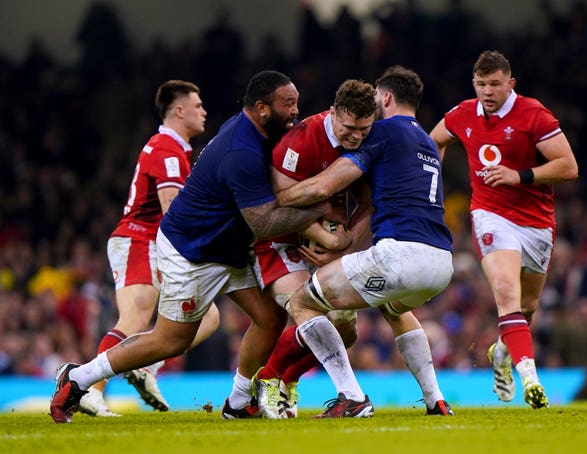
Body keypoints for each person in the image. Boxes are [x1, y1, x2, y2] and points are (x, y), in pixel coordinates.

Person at [50, 70, 332, 423]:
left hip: (226, 246)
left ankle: (238, 402)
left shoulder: (257, 133)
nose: (296, 111)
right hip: (194, 252)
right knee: (170, 341)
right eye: (288, 103)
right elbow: (262, 222)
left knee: (269, 316)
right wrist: (319, 210)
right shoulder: (240, 152)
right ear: (262, 108)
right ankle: (79, 378)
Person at [253, 77, 453, 418]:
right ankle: (436, 400)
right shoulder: (426, 141)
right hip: (440, 262)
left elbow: (323, 187)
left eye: (366, 123)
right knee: (391, 311)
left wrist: (273, 202)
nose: (359, 134)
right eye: (351, 126)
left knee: (303, 301)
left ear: (385, 98)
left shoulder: (384, 133)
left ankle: (324, 390)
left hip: (399, 253)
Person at [429, 50, 579, 409]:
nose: (487, 91)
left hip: (537, 222)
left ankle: (501, 353)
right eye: (481, 84)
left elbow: (568, 166)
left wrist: (520, 176)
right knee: (506, 292)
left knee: (527, 307)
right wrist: (431, 189)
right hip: (490, 214)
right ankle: (531, 379)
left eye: (495, 84)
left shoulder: (533, 114)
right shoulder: (463, 114)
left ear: (510, 83)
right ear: (474, 84)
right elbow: (434, 141)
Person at [79, 79, 220, 417]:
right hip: (140, 239)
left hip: (160, 244)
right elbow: (173, 214)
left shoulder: (178, 151)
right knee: (137, 315)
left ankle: (146, 367)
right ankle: (88, 390)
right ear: (179, 110)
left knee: (209, 316)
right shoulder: (166, 150)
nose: (204, 111)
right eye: (198, 105)